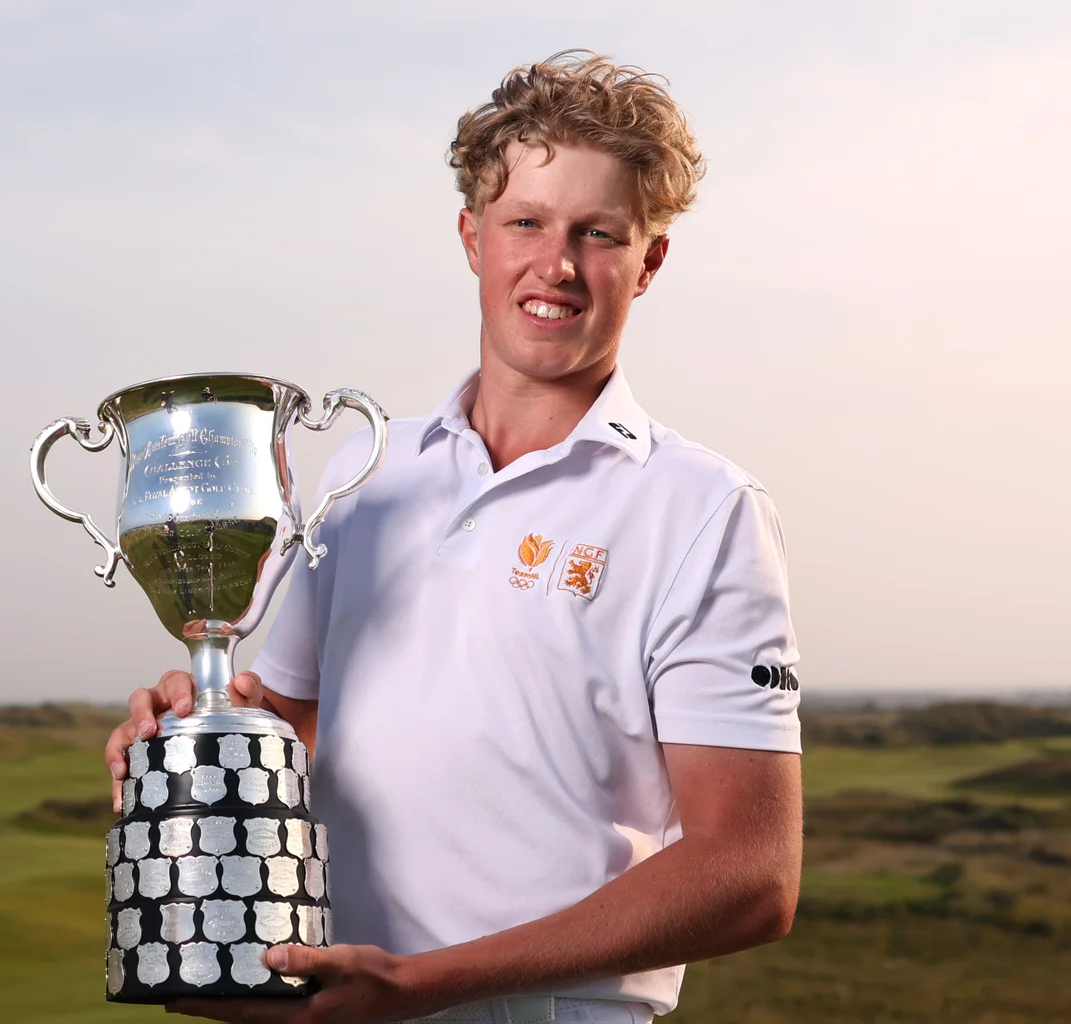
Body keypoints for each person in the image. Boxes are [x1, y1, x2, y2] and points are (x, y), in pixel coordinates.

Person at [105, 49, 803, 1024]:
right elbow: (294, 746)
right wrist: (197, 744)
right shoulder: (362, 479)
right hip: (339, 1005)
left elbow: (751, 872)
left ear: (649, 260)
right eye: (526, 223)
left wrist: (430, 983)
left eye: (597, 233)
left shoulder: (702, 507)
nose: (555, 266)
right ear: (474, 237)